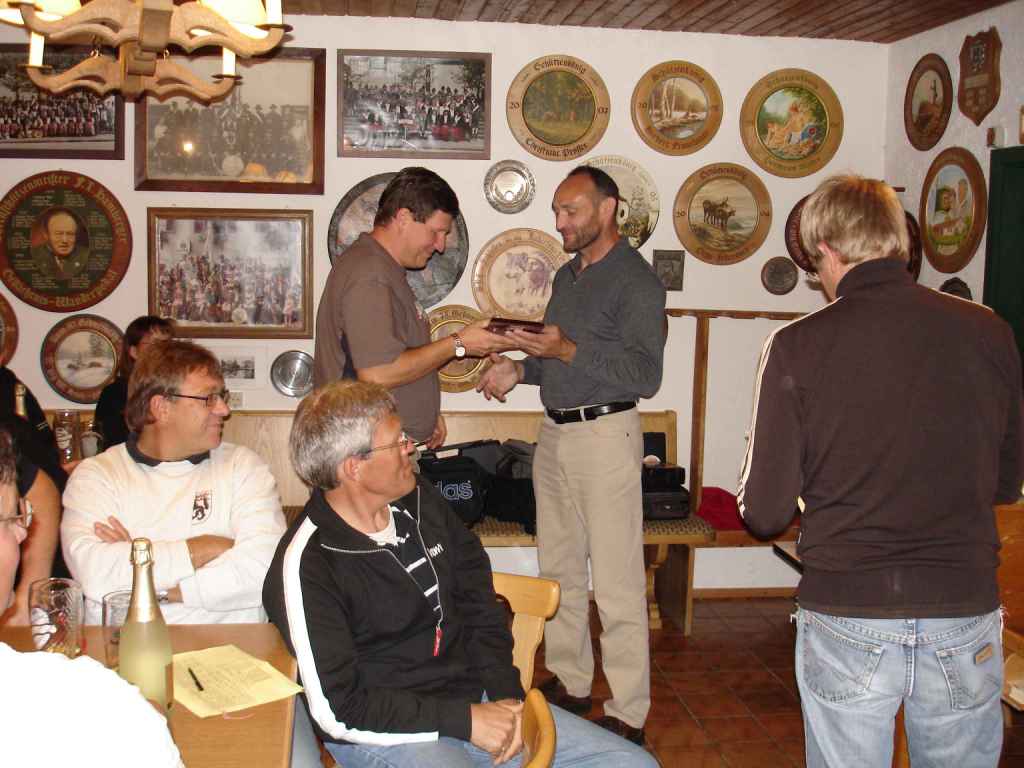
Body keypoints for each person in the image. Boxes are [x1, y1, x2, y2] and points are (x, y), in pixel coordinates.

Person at [737, 175, 1024, 768]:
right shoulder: (990, 331)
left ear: (827, 250)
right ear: (899, 242)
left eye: (815, 267)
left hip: (849, 607)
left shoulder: (796, 345)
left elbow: (763, 512)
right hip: (962, 604)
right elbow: (1004, 483)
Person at [262, 380, 657, 768]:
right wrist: (465, 722)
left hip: (474, 697)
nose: (411, 448)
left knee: (633, 764)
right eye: (398, 442)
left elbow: (478, 601)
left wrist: (506, 696)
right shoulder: (308, 565)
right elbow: (338, 711)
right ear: (354, 467)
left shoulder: (418, 499)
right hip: (390, 728)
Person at [476, 166, 667, 745]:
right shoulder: (567, 276)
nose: (560, 221)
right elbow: (557, 357)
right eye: (557, 210)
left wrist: (567, 350)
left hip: (606, 435)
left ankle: (629, 711)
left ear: (608, 209)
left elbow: (645, 375)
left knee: (616, 582)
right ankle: (572, 679)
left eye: (571, 210)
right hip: (555, 435)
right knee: (558, 569)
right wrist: (520, 369)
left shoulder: (637, 281)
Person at [61, 340, 286, 625]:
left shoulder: (243, 467)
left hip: (232, 645)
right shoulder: (96, 476)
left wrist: (151, 582)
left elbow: (265, 568)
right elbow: (96, 574)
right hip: (125, 645)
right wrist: (205, 546)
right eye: (209, 398)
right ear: (161, 407)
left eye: (222, 396)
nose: (223, 409)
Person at [0, 425, 184, 767]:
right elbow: (98, 573)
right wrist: (140, 714)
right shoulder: (96, 706)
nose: (23, 532)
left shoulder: (242, 466)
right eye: (12, 517)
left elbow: (255, 568)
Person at [313, 166, 508, 449]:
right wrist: (459, 343)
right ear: (403, 218)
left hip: (377, 446)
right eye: (436, 232)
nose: (440, 246)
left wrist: (423, 410)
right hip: (364, 452)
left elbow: (391, 356)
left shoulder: (381, 268)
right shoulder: (370, 273)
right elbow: (378, 373)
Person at [95, 315, 175, 450]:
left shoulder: (179, 389)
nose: (162, 351)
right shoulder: (114, 394)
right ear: (134, 352)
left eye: (166, 344)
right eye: (153, 344)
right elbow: (112, 445)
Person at [31, 207, 89, 282]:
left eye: (70, 234)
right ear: (46, 235)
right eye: (58, 234)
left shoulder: (86, 255)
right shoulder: (34, 256)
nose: (65, 240)